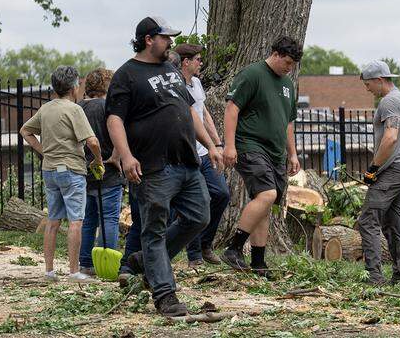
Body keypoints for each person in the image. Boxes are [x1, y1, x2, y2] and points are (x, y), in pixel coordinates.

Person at [106, 16, 222, 317]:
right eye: (165, 37)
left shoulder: (170, 70)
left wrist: (211, 145)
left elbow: (188, 110)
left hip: (186, 161)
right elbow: (114, 119)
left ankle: (146, 262)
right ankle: (165, 295)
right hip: (153, 167)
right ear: (149, 39)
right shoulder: (126, 75)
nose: (170, 42)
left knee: (200, 215)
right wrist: (126, 155)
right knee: (154, 228)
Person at [221, 36, 302, 275]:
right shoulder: (252, 74)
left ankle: (258, 262)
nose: (289, 68)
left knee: (265, 204)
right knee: (267, 194)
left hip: (276, 152)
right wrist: (229, 145)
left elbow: (288, 122)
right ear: (275, 54)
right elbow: (231, 109)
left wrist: (293, 154)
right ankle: (233, 248)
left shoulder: (287, 84)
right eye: (287, 62)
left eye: (293, 65)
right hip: (250, 145)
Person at [20, 65, 104, 281]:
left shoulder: (46, 109)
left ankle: (49, 271)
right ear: (74, 87)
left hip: (50, 170)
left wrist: (43, 151)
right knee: (76, 220)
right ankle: (74, 271)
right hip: (72, 170)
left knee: (53, 220)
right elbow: (92, 141)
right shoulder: (74, 109)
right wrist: (97, 159)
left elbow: (25, 131)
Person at [356, 60, 400, 285]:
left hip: (391, 171)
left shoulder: (389, 102)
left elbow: (390, 137)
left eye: (368, 84)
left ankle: (374, 276)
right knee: (395, 222)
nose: (367, 88)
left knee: (368, 220)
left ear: (380, 80)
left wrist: (373, 168)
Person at [174, 43, 230, 268]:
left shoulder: (196, 83)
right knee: (198, 202)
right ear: (185, 62)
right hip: (186, 154)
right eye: (197, 59)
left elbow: (204, 114)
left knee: (221, 194)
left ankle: (206, 243)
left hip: (205, 152)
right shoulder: (175, 85)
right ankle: (194, 255)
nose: (201, 63)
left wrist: (216, 144)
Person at [77, 68, 122, 276]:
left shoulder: (79, 108)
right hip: (110, 170)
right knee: (110, 218)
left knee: (89, 219)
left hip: (85, 169)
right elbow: (121, 132)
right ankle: (106, 263)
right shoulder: (109, 107)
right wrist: (116, 155)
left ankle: (85, 262)